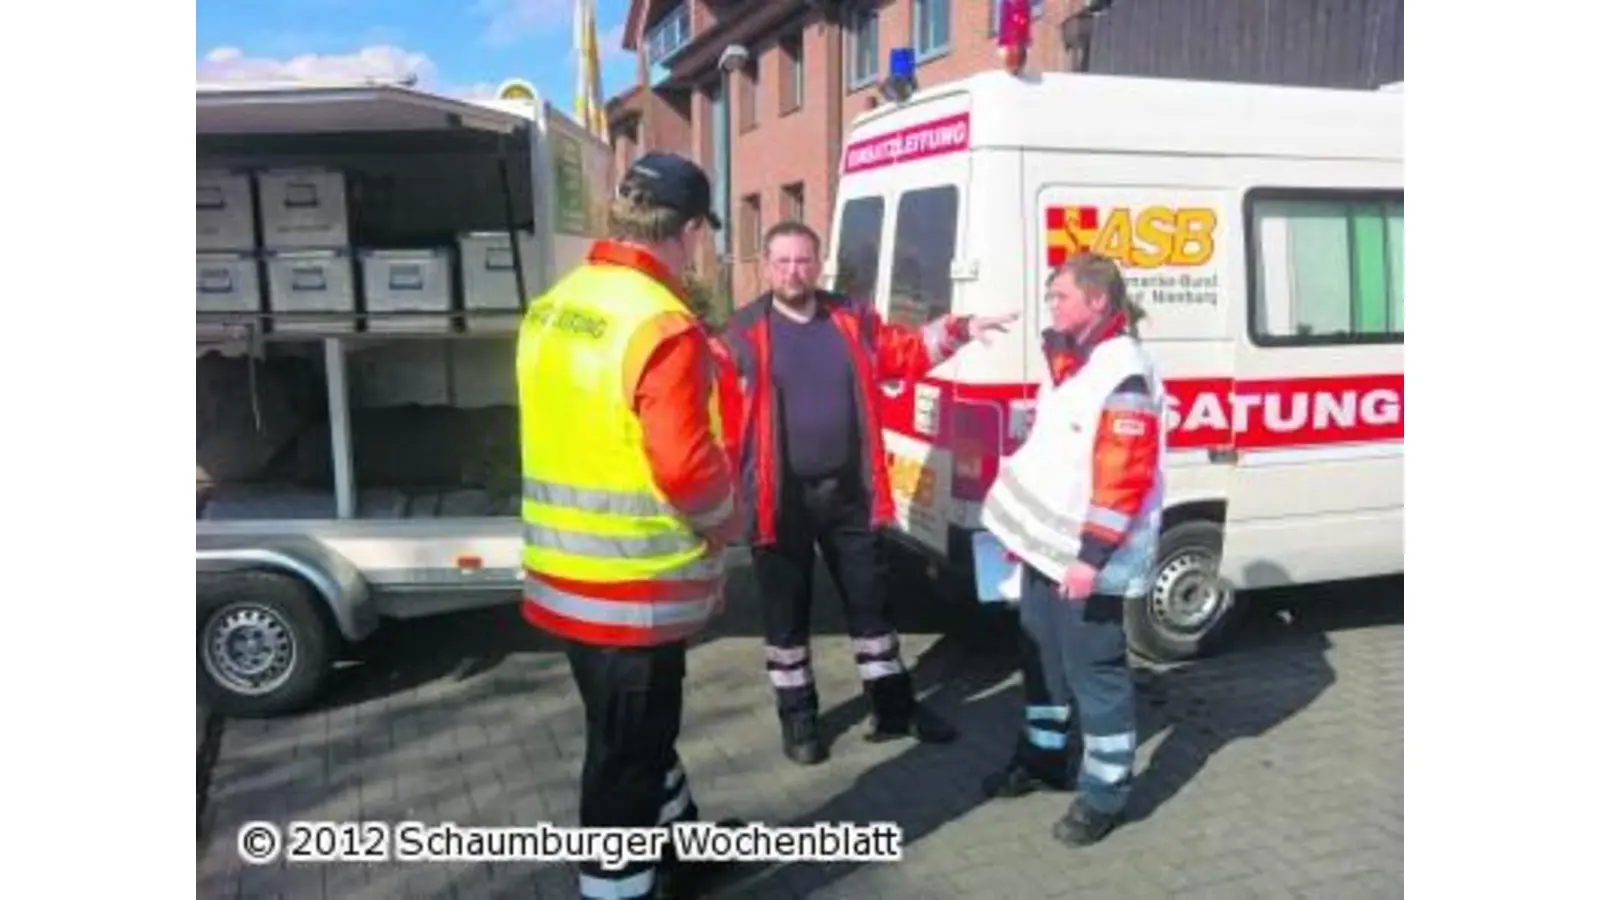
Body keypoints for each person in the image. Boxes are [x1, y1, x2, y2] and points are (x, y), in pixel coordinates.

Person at [516, 151, 744, 900]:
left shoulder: (557, 303)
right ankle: (618, 888)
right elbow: (684, 465)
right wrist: (725, 522)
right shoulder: (662, 325)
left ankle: (684, 845)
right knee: (621, 763)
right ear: (682, 233)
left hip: (567, 581)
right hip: (632, 591)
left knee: (637, 739)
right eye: (700, 235)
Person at [718, 220, 1017, 765]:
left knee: (871, 604)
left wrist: (963, 327)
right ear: (766, 267)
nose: (793, 271)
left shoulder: (849, 320)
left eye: (803, 260)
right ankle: (800, 720)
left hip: (848, 491)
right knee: (786, 616)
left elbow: (906, 350)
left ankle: (894, 708)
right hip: (776, 498)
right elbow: (716, 417)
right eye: (782, 261)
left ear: (818, 264)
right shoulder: (741, 333)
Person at [977, 251, 1166, 847]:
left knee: (1096, 674)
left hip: (1090, 560)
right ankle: (1045, 759)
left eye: (1061, 296)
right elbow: (1053, 456)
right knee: (1042, 659)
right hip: (1049, 549)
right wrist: (1024, 538)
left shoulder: (1123, 373)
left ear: (1098, 303)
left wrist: (1090, 558)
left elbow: (1122, 479)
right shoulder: (1074, 359)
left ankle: (1105, 794)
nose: (1051, 305)